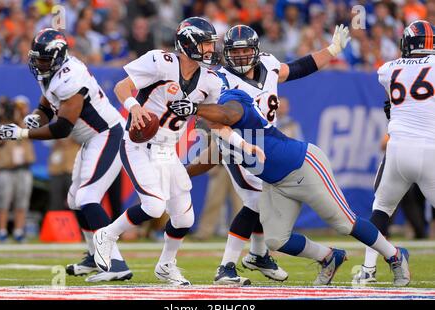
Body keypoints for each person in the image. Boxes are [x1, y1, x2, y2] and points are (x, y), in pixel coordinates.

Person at [167, 91, 411, 287]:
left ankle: (395, 255)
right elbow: (208, 159)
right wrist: (179, 173)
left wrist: (195, 106)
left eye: (198, 111)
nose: (197, 119)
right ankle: (328, 257)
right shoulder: (220, 135)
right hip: (276, 184)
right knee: (275, 240)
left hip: (304, 166)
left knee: (345, 223)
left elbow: (229, 114)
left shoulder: (233, 100)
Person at [186, 24, 352, 286]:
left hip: (266, 143)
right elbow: (212, 118)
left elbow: (298, 68)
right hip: (238, 142)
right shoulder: (219, 79)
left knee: (262, 200)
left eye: (245, 52)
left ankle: (259, 254)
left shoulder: (269, 64)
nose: (240, 57)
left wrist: (332, 50)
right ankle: (227, 266)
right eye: (235, 53)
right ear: (225, 53)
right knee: (254, 201)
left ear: (256, 51)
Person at [92, 17, 224, 286]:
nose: (210, 49)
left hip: (167, 150)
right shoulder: (160, 61)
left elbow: (210, 118)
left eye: (211, 44)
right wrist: (134, 107)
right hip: (138, 144)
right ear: (188, 43)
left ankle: (165, 265)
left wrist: (226, 134)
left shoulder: (210, 81)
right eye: (205, 43)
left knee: (184, 217)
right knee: (153, 206)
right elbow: (122, 86)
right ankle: (106, 235)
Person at [0, 28, 131, 283]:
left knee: (88, 196)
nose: (38, 63)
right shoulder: (51, 73)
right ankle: (93, 255)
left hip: (107, 134)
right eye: (36, 58)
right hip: (90, 139)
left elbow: (62, 127)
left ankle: (115, 262)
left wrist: (21, 134)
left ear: (57, 58)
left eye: (43, 59)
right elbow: (46, 106)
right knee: (74, 200)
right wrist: (36, 118)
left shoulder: (71, 77)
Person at [354, 20, 435, 284]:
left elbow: (393, 100)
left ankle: (367, 270)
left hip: (398, 150)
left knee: (380, 208)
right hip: (429, 149)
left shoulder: (389, 69)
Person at [0, 96, 35, 243]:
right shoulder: (2, 123)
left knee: (22, 202)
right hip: (6, 169)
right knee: (4, 201)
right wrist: (4, 117)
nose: (19, 109)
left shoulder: (27, 123)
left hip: (24, 168)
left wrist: (18, 120)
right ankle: (2, 231)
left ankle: (18, 231)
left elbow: (31, 134)